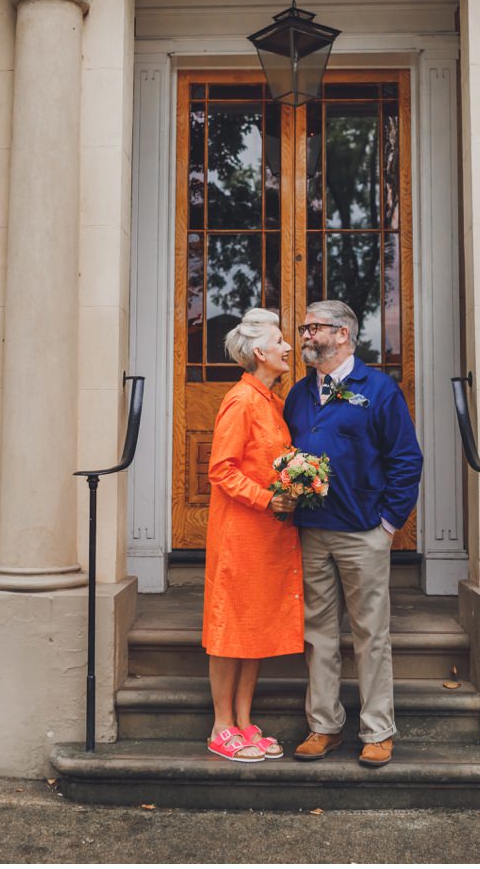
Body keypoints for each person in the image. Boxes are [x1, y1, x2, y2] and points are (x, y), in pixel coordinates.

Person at [283, 300, 423, 767]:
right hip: (312, 531)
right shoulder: (300, 394)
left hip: (363, 531)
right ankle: (323, 726)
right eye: (304, 328)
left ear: (342, 334)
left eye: (312, 327)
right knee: (318, 634)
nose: (304, 334)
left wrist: (387, 524)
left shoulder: (378, 390)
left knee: (370, 634)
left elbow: (406, 460)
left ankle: (378, 731)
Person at [201, 308, 302, 763]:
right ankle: (221, 725)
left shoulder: (272, 402)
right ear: (260, 353)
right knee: (230, 628)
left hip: (269, 536)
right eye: (280, 341)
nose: (287, 347)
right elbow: (220, 470)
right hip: (241, 534)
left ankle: (244, 720)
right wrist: (267, 500)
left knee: (255, 628)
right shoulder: (241, 401)